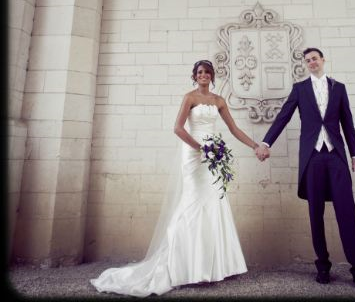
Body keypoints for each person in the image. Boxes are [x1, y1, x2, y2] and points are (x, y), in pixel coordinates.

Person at [91, 59, 258, 296]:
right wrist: (201, 148)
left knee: (214, 203)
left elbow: (234, 129)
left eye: (207, 72)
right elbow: (178, 128)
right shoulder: (189, 97)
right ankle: (184, 266)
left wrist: (255, 146)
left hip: (213, 155)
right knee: (192, 204)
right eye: (200, 72)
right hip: (194, 153)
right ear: (195, 76)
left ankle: (213, 267)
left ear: (212, 76)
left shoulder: (219, 101)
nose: (203, 75)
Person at [255, 47, 355, 294]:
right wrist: (266, 143)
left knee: (347, 213)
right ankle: (323, 268)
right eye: (307, 60)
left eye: (314, 59)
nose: (311, 62)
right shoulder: (300, 89)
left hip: (336, 156)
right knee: (315, 214)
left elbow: (348, 123)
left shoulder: (339, 88)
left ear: (323, 60)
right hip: (312, 158)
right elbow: (283, 117)